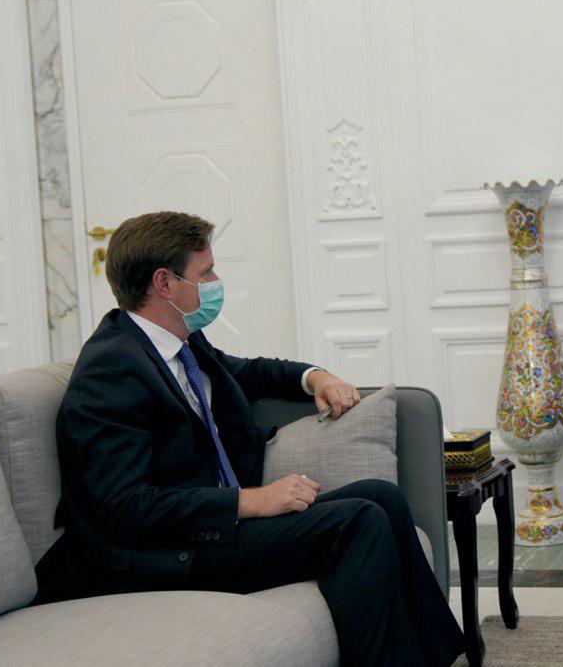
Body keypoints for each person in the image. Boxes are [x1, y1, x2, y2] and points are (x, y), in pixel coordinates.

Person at [50, 211, 464, 665]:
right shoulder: (111, 367)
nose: (216, 282)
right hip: (162, 552)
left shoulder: (178, 342)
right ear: (165, 283)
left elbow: (246, 372)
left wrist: (314, 376)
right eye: (205, 273)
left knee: (381, 496)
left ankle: (440, 656)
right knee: (358, 522)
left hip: (207, 531)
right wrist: (249, 501)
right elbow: (124, 506)